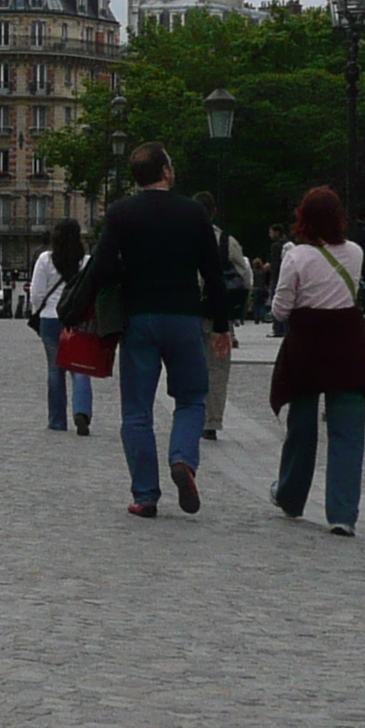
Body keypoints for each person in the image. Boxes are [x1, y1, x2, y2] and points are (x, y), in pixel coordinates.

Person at [86, 143, 230, 519]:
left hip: (139, 318)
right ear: (166, 171)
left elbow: (102, 269)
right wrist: (221, 325)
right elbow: (214, 274)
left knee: (136, 411)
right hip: (183, 316)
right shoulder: (194, 212)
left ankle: (145, 495)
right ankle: (183, 458)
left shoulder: (120, 213)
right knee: (192, 397)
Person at [266, 185, 365, 536]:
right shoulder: (356, 253)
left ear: (303, 219)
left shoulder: (297, 257)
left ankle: (290, 495)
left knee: (301, 428)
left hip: (307, 346)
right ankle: (343, 512)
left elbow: (280, 308)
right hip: (347, 345)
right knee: (348, 432)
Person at [25, 217, 94, 436]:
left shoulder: (46, 259)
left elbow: (36, 294)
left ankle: (57, 420)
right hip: (78, 319)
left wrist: (39, 309)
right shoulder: (87, 262)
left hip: (50, 319)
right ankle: (82, 412)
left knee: (55, 369)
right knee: (80, 368)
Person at [195, 191, 242, 440]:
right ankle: (211, 421)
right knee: (218, 367)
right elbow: (244, 277)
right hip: (219, 314)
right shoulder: (226, 241)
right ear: (213, 211)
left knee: (191, 365)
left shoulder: (181, 238)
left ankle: (191, 413)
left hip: (189, 313)